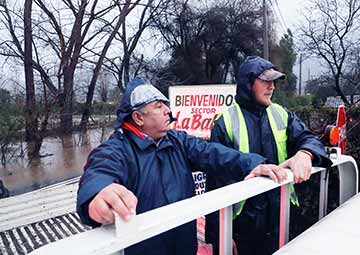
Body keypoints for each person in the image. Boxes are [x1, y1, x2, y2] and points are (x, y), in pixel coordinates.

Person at [76, 78, 288, 255]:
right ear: (138, 117)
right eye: (159, 106)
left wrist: (254, 164)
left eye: (166, 105)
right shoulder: (117, 149)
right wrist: (98, 192)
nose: (168, 111)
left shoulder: (177, 140)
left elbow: (213, 154)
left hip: (185, 247)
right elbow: (100, 171)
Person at [205, 56, 332, 255]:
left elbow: (308, 138)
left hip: (282, 216)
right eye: (265, 81)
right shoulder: (226, 122)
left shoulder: (281, 114)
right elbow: (214, 182)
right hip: (243, 225)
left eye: (273, 82)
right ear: (248, 84)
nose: (271, 87)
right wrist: (219, 235)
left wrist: (305, 153)